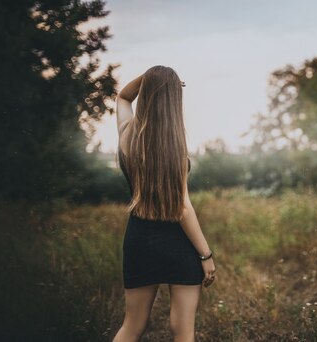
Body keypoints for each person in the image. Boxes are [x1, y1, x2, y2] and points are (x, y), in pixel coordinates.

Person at [112, 65, 216, 342]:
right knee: (183, 331)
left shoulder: (126, 138)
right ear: (174, 102)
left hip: (139, 240)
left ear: (145, 95)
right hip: (177, 245)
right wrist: (205, 255)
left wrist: (150, 78)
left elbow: (122, 97)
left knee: (132, 327)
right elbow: (182, 208)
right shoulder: (176, 150)